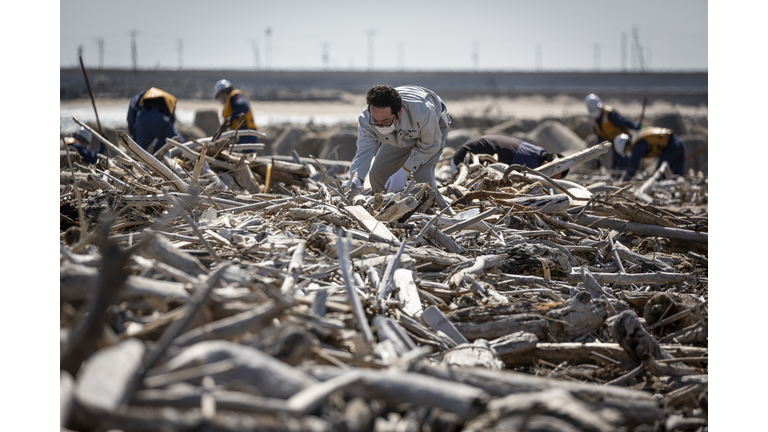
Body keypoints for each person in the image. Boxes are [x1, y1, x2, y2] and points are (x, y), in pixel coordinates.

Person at [344, 85, 451, 194]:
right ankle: (387, 206)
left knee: (422, 175)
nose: (380, 126)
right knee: (377, 174)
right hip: (398, 135)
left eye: (385, 121)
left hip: (433, 127)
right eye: (375, 121)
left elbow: (430, 145)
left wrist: (404, 171)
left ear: (399, 112)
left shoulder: (424, 112)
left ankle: (430, 206)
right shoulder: (366, 118)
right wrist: (356, 177)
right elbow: (364, 149)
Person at [451, 135, 568, 178]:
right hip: (463, 164)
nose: (549, 179)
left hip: (464, 155)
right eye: (551, 175)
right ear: (546, 164)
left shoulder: (536, 152)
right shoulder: (528, 161)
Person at [585, 93, 639, 170]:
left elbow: (624, 121)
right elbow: (600, 141)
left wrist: (636, 127)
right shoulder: (596, 125)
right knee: (615, 165)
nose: (594, 112)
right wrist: (598, 157)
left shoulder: (610, 114)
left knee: (624, 163)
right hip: (615, 146)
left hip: (624, 143)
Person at [612, 127, 686, 179]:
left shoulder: (637, 147)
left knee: (660, 176)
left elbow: (632, 168)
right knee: (678, 175)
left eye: (625, 151)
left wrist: (624, 180)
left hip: (671, 147)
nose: (627, 153)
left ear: (626, 146)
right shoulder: (636, 138)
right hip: (678, 143)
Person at [127, 87, 184, 152]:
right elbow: (171, 122)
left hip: (143, 118)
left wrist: (134, 134)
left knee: (136, 151)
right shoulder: (167, 98)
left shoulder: (142, 95)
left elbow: (131, 114)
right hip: (162, 119)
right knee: (179, 144)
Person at [213, 79, 259, 147]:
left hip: (247, 133)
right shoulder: (230, 101)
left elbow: (243, 107)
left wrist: (231, 118)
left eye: (218, 97)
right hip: (241, 134)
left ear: (222, 93)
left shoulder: (235, 97)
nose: (219, 99)